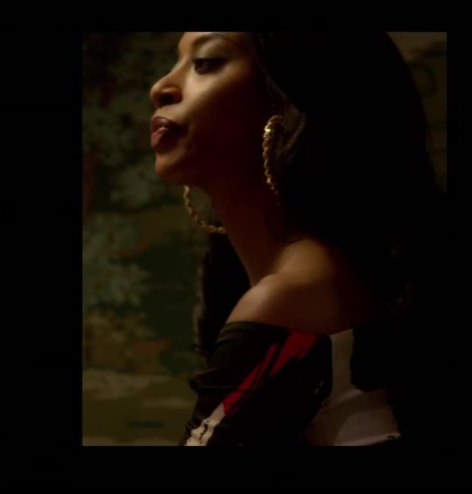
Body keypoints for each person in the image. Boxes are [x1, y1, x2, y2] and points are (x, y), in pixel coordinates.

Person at [148, 32, 452, 446]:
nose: (160, 87)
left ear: (286, 101)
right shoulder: (336, 279)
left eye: (206, 61)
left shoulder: (293, 300)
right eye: (178, 61)